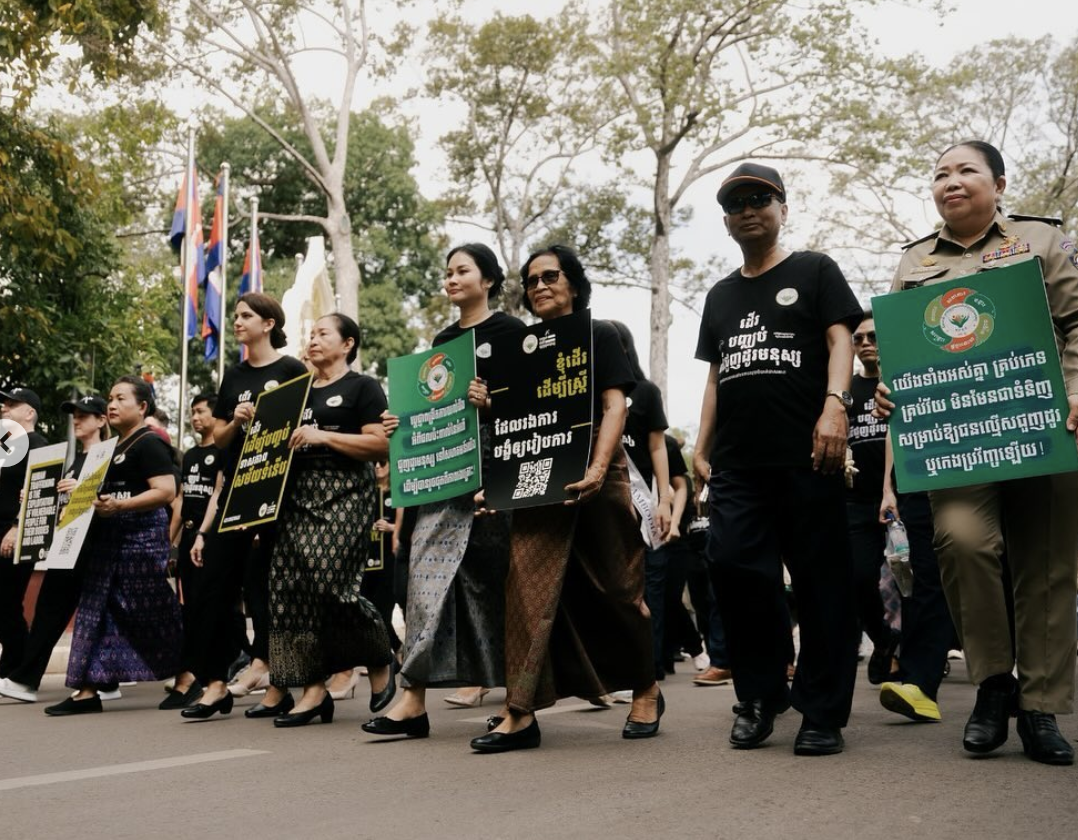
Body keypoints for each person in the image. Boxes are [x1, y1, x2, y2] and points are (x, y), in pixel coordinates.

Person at [875, 140, 1078, 765]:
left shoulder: (1044, 242)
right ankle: (994, 684)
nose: (951, 182)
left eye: (966, 171)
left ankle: (1039, 707)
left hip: (1044, 423)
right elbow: (900, 350)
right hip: (957, 440)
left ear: (1000, 184)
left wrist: (1074, 388)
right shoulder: (913, 261)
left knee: (1047, 565)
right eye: (940, 174)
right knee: (961, 542)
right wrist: (890, 389)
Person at [694, 163, 862, 756]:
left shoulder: (814, 270)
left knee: (822, 585)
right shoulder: (720, 295)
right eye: (737, 202)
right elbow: (717, 375)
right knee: (735, 567)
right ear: (726, 222)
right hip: (738, 463)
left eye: (760, 198)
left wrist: (835, 406)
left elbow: (841, 338)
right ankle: (761, 695)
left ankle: (822, 712)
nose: (749, 209)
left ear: (782, 208)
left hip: (809, 454)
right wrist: (700, 448)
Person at [468, 244, 662, 754]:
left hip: (598, 471)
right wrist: (488, 413)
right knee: (524, 587)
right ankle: (520, 711)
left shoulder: (599, 334)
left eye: (550, 276)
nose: (539, 286)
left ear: (573, 283)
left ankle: (646, 688)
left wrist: (599, 469)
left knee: (617, 587)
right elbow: (513, 427)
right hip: (538, 478)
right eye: (530, 281)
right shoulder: (520, 346)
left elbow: (615, 405)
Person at [363, 243, 524, 740]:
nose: (451, 279)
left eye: (462, 271)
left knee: (498, 587)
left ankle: (519, 702)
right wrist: (399, 422)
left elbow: (531, 411)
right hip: (442, 479)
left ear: (489, 280)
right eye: (448, 272)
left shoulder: (512, 333)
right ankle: (412, 699)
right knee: (425, 584)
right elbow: (429, 410)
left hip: (496, 477)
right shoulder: (442, 340)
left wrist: (492, 403)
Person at [182, 292, 308, 720]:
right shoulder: (233, 376)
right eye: (235, 316)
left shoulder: (292, 369)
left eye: (245, 316)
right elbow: (218, 440)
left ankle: (278, 684)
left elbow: (302, 429)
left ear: (268, 323)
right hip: (237, 491)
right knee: (212, 587)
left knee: (267, 592)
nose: (237, 322)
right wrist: (235, 419)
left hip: (278, 493)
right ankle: (215, 684)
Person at [45, 377, 183, 716]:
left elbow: (165, 490)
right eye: (110, 398)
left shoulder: (149, 443)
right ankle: (87, 691)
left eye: (121, 398)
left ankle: (189, 675)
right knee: (96, 611)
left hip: (140, 539)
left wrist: (120, 506)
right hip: (108, 539)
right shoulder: (111, 448)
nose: (112, 404)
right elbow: (98, 496)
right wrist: (77, 492)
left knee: (152, 613)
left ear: (142, 407)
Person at [0, 395, 108, 702]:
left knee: (54, 609)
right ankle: (104, 681)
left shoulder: (104, 454)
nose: (77, 420)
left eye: (85, 415)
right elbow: (68, 504)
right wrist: (35, 500)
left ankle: (24, 678)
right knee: (54, 609)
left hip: (90, 548)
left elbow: (108, 496)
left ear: (101, 420)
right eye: (74, 414)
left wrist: (82, 491)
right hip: (70, 545)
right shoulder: (77, 459)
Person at [608, 320, 674, 682]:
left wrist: (664, 500)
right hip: (605, 505)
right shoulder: (590, 391)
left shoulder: (646, 392)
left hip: (643, 507)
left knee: (652, 591)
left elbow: (656, 446)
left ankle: (651, 665)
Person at [845, 312, 902, 684]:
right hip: (854, 503)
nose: (866, 343)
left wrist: (890, 490)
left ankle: (911, 656)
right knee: (858, 579)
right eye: (859, 338)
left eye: (873, 337)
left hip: (899, 497)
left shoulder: (897, 383)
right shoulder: (846, 390)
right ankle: (884, 641)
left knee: (910, 581)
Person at [160, 393, 223, 710]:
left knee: (205, 608)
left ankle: (203, 677)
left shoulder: (221, 451)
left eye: (201, 412)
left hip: (209, 538)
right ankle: (191, 676)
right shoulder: (191, 455)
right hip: (187, 537)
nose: (196, 418)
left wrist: (203, 533)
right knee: (188, 608)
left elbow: (217, 494)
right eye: (192, 413)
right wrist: (168, 543)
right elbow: (182, 500)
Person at [0, 387, 50, 680]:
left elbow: (39, 490)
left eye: (12, 404)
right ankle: (16, 659)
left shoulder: (38, 444)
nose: (4, 408)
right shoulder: (7, 444)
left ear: (29, 412)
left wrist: (17, 528)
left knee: (6, 600)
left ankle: (17, 663)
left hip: (15, 531)